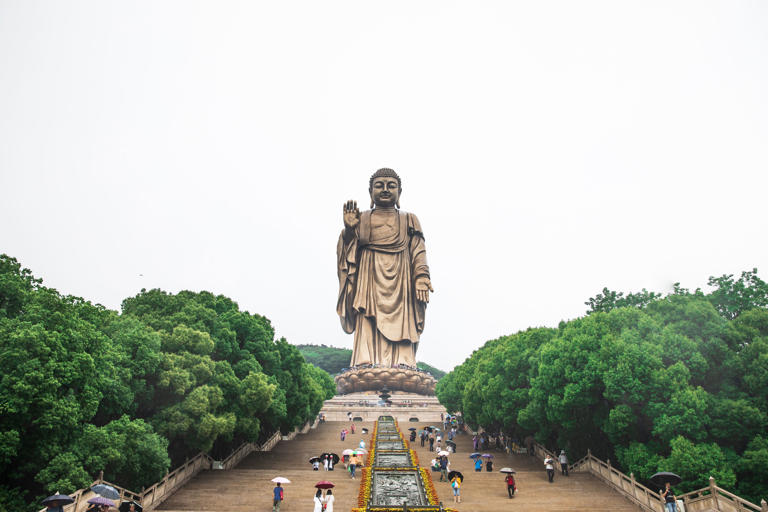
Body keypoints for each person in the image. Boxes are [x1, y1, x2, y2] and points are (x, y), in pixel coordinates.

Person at [337, 169, 434, 367]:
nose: (385, 189)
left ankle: (404, 362)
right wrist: (349, 231)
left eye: (391, 185)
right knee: (366, 316)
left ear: (400, 191)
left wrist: (421, 277)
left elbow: (418, 250)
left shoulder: (409, 219)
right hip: (369, 276)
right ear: (370, 191)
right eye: (379, 185)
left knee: (403, 320)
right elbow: (348, 254)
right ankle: (365, 361)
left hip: (402, 280)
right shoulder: (361, 218)